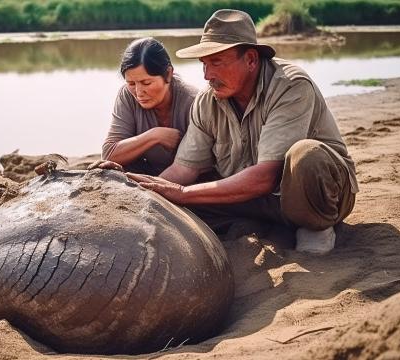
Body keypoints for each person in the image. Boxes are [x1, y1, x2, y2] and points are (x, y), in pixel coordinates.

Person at [125, 10, 359, 255]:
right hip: (254, 200)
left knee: (306, 155)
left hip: (313, 196)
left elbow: (266, 176)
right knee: (186, 194)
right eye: (204, 64)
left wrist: (183, 193)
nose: (207, 75)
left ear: (250, 59)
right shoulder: (207, 101)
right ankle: (263, 223)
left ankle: (315, 226)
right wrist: (147, 195)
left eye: (216, 62)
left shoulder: (291, 86)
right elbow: (185, 168)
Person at [100, 37, 198, 176]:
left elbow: (193, 166)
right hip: (149, 172)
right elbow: (109, 153)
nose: (139, 93)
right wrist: (154, 135)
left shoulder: (193, 102)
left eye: (146, 83)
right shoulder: (127, 95)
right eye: (131, 84)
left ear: (168, 74)